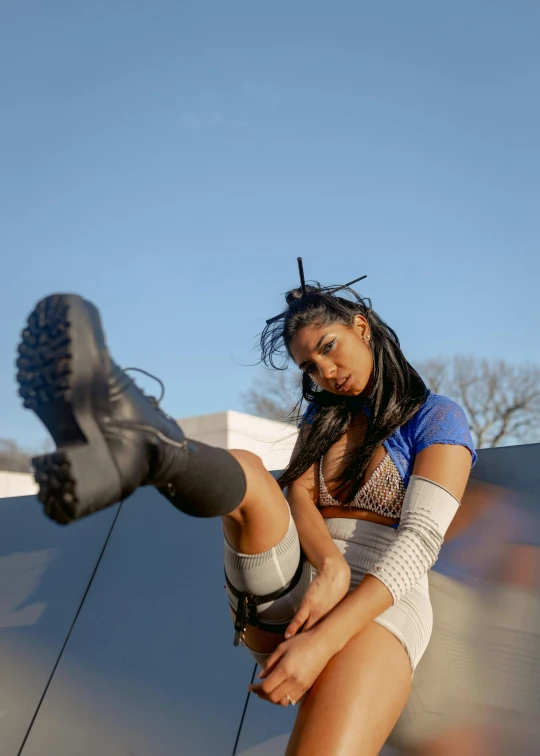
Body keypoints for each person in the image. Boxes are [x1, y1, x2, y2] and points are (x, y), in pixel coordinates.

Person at [16, 273, 476, 756]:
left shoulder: (435, 416)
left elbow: (420, 542)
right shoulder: (322, 418)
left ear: (361, 327)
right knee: (252, 472)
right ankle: (149, 446)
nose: (324, 372)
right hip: (306, 578)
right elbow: (297, 495)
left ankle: (138, 449)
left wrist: (323, 640)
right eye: (310, 367)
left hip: (381, 603)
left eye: (328, 348)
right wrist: (332, 566)